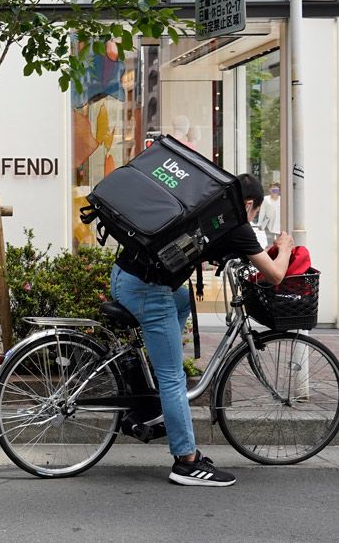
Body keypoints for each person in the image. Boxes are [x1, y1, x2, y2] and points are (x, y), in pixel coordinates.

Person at [111, 173, 293, 487]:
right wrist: (285, 246)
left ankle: (154, 383)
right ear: (248, 204)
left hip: (123, 277)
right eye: (254, 213)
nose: (251, 218)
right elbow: (275, 275)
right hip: (146, 290)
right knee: (172, 377)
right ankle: (187, 462)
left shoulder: (206, 206)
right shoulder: (236, 224)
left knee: (183, 300)